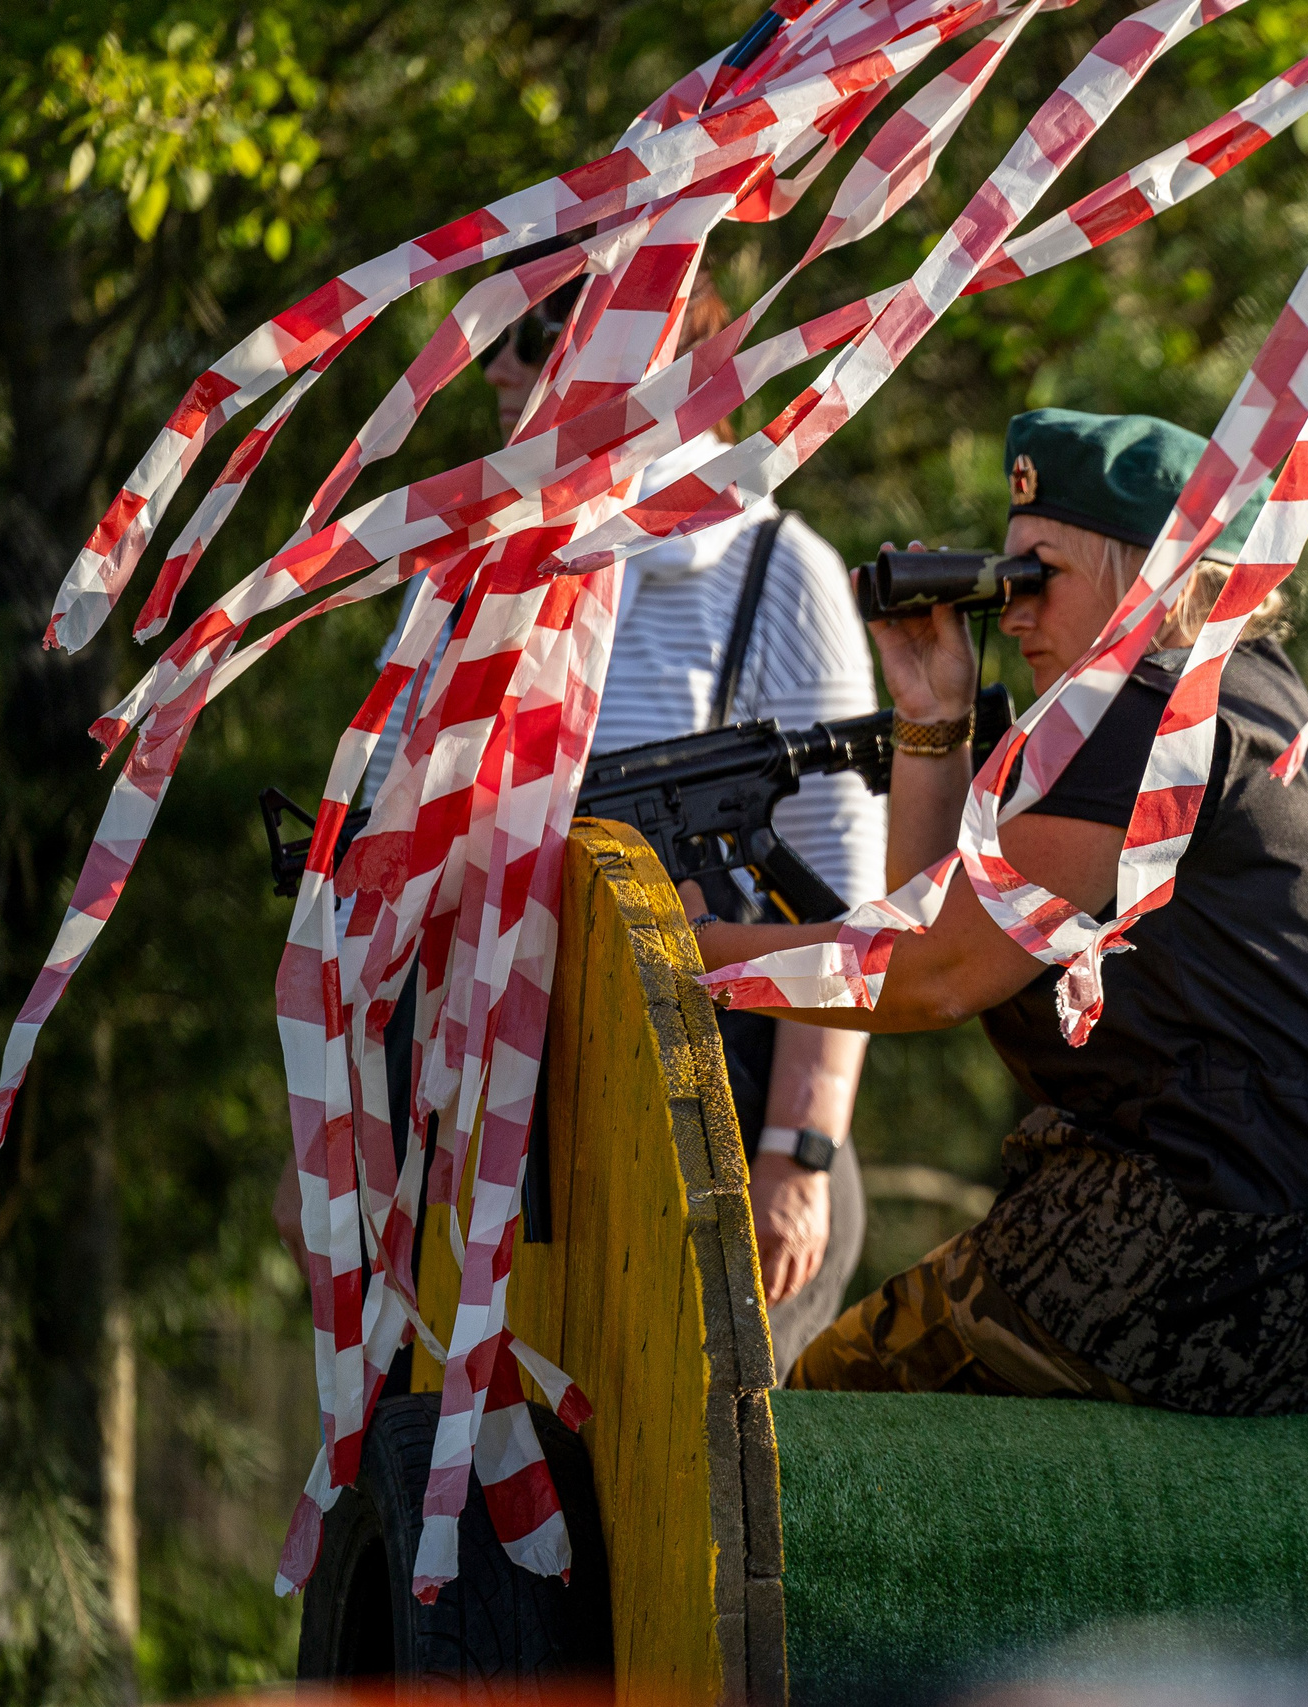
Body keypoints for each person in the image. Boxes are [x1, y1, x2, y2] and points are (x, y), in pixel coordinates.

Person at [686, 408, 1308, 1416]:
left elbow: (937, 975)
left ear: (1147, 576)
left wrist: (685, 959)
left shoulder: (1150, 711)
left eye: (1038, 578)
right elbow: (929, 926)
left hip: (1264, 1242)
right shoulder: (1249, 697)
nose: (1012, 613)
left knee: (834, 1405)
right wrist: (933, 723)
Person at [295, 272, 883, 1371]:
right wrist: (328, 1145)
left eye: (526, 338)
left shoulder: (773, 569)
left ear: (637, 349)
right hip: (489, 1144)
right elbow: (376, 887)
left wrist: (799, 1156)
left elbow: (843, 916)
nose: (499, 371)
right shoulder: (465, 576)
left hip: (710, 1134)